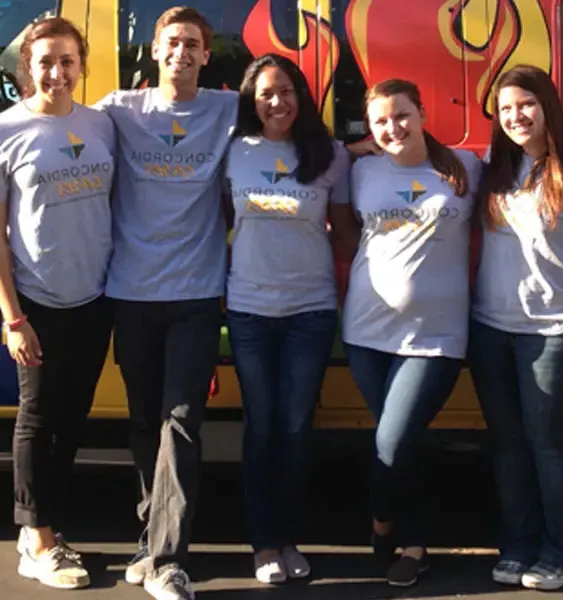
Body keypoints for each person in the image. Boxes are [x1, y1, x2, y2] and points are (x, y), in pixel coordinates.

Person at [94, 7, 238, 600]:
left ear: (207, 55)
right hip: (131, 293)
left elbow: (299, 124)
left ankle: (168, 560)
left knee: (181, 423)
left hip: (198, 294)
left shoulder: (228, 109)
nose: (182, 52)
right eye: (172, 42)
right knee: (142, 422)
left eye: (194, 44)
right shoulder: (116, 110)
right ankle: (148, 535)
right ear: (154, 51)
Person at [223, 53, 356, 584]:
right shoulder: (232, 151)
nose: (277, 102)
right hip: (250, 309)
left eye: (286, 91)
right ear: (251, 102)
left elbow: (345, 230)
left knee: (298, 427)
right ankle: (263, 546)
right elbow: (216, 222)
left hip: (311, 310)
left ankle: (288, 539)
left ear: (302, 96)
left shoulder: (330, 155)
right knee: (262, 427)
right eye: (266, 94)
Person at [343, 78, 481, 587]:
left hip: (436, 337)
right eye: (380, 120)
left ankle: (383, 528)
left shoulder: (466, 167)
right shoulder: (360, 171)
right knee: (400, 442)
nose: (392, 127)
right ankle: (416, 542)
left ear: (422, 112)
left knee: (393, 442)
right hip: (366, 332)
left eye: (401, 115)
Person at [469, 64, 563, 591]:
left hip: (560, 332)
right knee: (508, 445)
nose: (515, 116)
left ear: (548, 105)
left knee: (554, 444)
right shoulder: (494, 165)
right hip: (491, 330)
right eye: (504, 109)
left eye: (525, 104)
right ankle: (519, 546)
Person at [0, 16, 114, 590]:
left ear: (81, 64)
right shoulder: (6, 130)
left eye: (67, 60)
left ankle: (46, 527)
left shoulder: (100, 124)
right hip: (37, 302)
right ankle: (37, 539)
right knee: (37, 417)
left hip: (94, 298)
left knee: (72, 419)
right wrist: (12, 318)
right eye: (45, 61)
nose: (57, 72)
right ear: (29, 67)